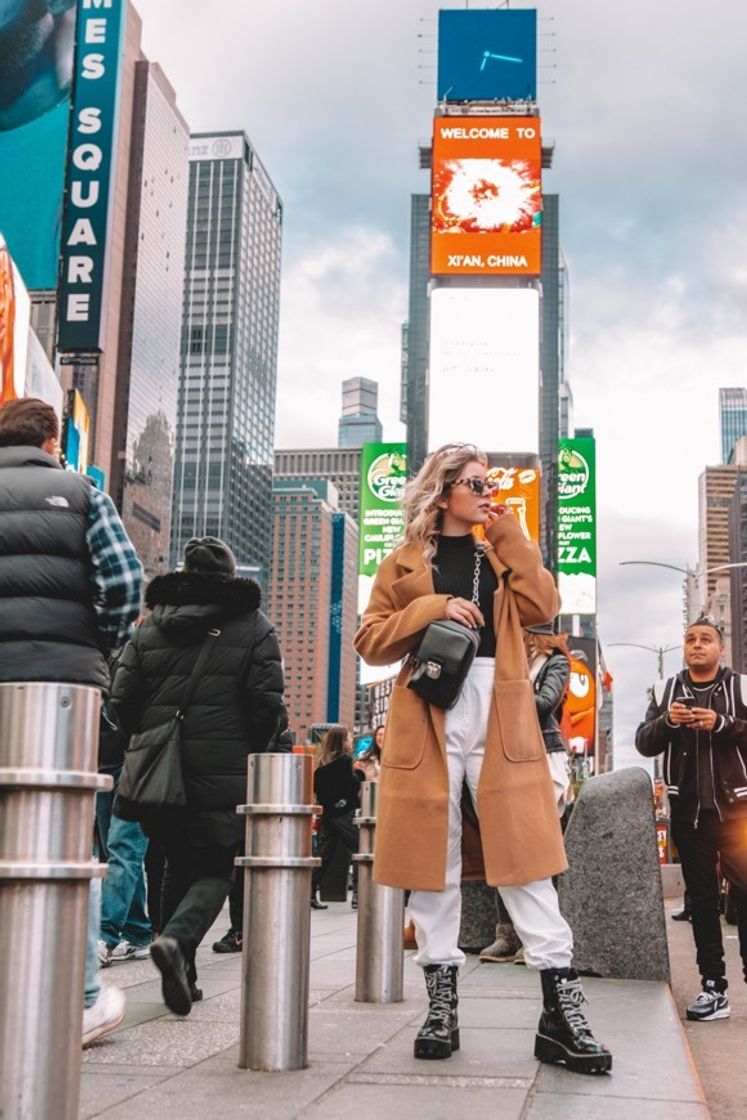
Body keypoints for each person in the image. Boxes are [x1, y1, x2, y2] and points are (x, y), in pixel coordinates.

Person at [354, 443, 610, 1073]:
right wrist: (432, 607)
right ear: (444, 493)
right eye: (474, 483)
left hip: (502, 707)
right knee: (432, 858)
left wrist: (508, 529)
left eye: (489, 482)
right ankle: (441, 1005)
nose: (486, 490)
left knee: (525, 856)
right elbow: (370, 641)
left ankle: (560, 1006)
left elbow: (543, 606)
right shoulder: (407, 561)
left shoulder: (502, 549)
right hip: (430, 711)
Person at [0, 397, 142, 1045]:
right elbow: (124, 581)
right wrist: (98, 647)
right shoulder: (82, 493)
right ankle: (81, 996)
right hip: (63, 685)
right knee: (65, 834)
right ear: (54, 440)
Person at [111, 535, 285, 1015]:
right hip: (224, 766)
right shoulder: (254, 626)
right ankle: (177, 940)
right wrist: (251, 748)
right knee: (216, 868)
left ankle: (182, 972)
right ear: (231, 578)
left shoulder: (148, 628)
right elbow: (267, 703)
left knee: (173, 863)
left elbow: (120, 700)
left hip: (157, 768)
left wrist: (146, 737)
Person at [636, 615, 747, 1021]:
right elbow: (644, 742)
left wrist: (722, 724)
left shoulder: (741, 687)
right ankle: (713, 988)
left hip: (738, 813)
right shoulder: (667, 690)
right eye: (690, 639)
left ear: (721, 649)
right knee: (701, 902)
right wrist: (668, 722)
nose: (697, 645)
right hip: (689, 815)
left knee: (745, 893)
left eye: (705, 639)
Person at [481, 622, 572, 965]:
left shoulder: (555, 661)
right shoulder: (503, 659)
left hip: (543, 754)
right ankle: (506, 931)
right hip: (504, 752)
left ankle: (539, 933)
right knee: (504, 842)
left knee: (540, 843)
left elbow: (545, 703)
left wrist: (505, 688)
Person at [311, 726, 361, 910]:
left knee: (325, 854)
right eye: (349, 738)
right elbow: (352, 787)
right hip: (342, 813)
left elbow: (319, 788)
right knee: (360, 848)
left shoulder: (323, 762)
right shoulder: (344, 762)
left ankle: (308, 892)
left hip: (328, 814)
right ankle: (359, 893)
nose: (351, 741)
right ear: (342, 741)